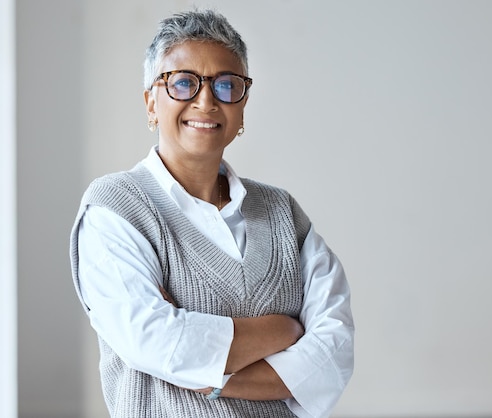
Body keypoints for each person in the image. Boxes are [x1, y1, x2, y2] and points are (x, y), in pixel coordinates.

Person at [69, 9, 354, 418]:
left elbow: (334, 351)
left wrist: (214, 376)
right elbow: (152, 340)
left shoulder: (282, 213)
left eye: (225, 85)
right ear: (151, 102)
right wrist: (283, 331)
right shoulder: (115, 208)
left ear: (242, 107)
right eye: (183, 82)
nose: (206, 100)